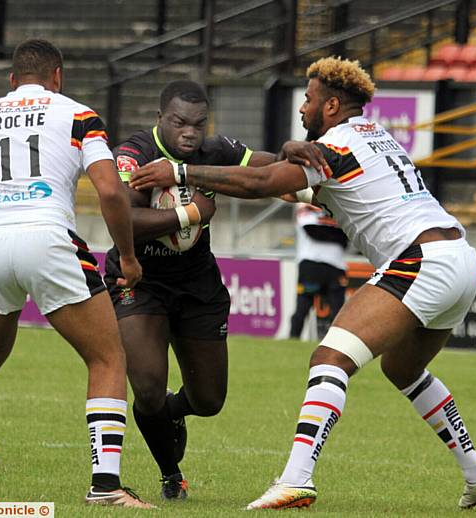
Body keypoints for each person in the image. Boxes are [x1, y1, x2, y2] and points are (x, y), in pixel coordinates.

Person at [129, 57, 476, 510]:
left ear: (332, 105)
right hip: (459, 257)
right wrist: (285, 151)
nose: (302, 108)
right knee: (403, 369)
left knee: (329, 359)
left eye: (309, 99)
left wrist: (180, 172)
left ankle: (297, 478)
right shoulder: (376, 138)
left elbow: (261, 183)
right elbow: (290, 185)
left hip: (421, 260)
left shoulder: (335, 147)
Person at [0, 38, 153, 509]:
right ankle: (105, 486)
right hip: (49, 236)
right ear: (57, 76)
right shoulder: (78, 115)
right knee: (107, 359)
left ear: (11, 80)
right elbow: (111, 191)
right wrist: (128, 256)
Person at [104, 80, 322, 500]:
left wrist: (287, 153)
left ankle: (175, 413)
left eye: (198, 124)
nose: (189, 132)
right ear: (159, 119)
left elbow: (264, 169)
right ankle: (171, 474)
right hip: (139, 282)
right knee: (147, 388)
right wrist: (191, 212)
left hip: (197, 284)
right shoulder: (134, 154)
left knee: (208, 400)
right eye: (179, 122)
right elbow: (124, 220)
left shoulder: (213, 151)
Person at [290, 203, 348, 340]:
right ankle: (292, 341)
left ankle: (339, 345)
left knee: (339, 313)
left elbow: (347, 236)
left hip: (336, 266)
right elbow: (313, 231)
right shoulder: (305, 206)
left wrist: (334, 231)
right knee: (302, 308)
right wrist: (335, 231)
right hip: (311, 265)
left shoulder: (339, 206)